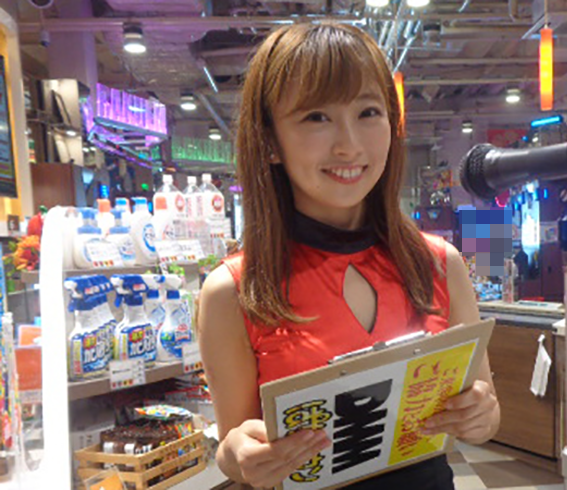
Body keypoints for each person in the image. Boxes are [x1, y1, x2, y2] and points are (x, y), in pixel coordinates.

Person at [198, 22, 500, 489]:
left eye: (368, 112)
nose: (349, 145)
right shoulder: (235, 290)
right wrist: (241, 454)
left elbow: (486, 411)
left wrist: (480, 416)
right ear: (270, 141)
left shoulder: (439, 263)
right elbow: (232, 446)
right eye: (316, 117)